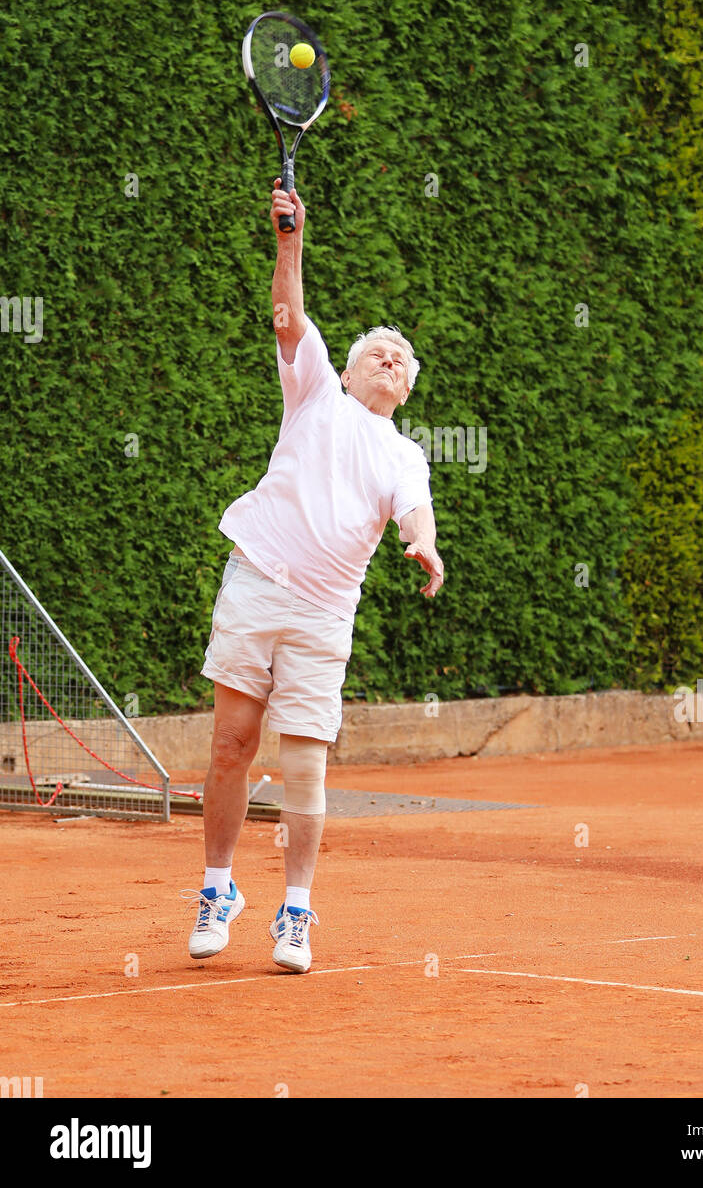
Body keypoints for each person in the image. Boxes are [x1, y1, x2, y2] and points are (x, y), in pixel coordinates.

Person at [184, 180, 444, 972]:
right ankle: (218, 887)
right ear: (353, 366)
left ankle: (296, 912)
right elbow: (290, 316)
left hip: (327, 613)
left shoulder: (404, 454)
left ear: (405, 389)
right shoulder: (314, 390)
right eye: (379, 349)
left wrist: (424, 545)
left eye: (402, 359)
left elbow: (414, 511)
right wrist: (288, 240)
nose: (389, 357)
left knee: (304, 760)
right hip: (258, 579)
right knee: (232, 741)